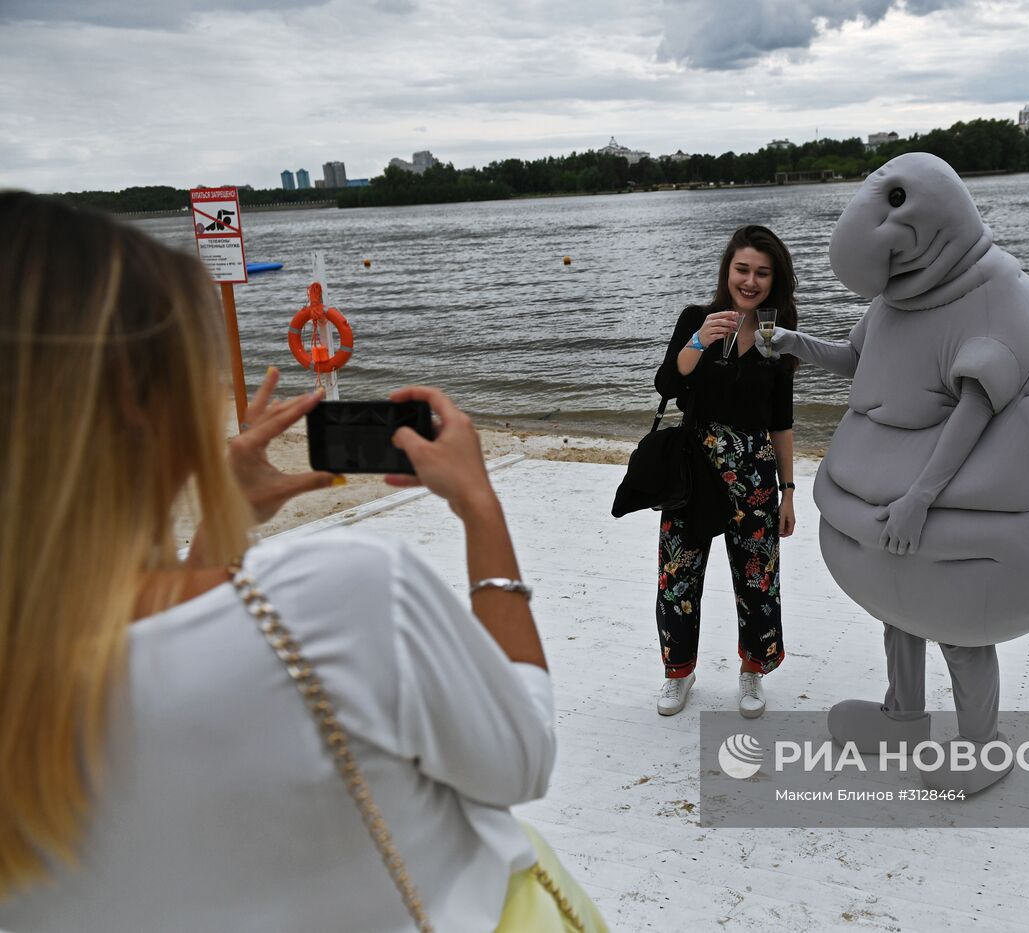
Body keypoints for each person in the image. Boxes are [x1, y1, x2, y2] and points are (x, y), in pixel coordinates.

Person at [0, 193, 606, 933]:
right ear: (132, 394)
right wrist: (481, 507)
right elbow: (521, 756)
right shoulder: (340, 600)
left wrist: (223, 520)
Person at [651, 224, 798, 719]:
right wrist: (698, 340)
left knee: (757, 578)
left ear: (773, 279)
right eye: (742, 270)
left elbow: (781, 422)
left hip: (755, 474)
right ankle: (679, 673)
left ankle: (753, 670)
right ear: (727, 271)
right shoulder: (698, 318)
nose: (750, 281)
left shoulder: (779, 336)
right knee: (678, 575)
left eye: (761, 272)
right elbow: (668, 382)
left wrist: (790, 491)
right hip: (693, 470)